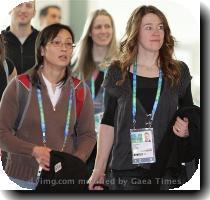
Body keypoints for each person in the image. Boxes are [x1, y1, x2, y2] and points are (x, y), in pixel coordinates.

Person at [88, 5, 198, 191]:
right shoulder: (118, 71)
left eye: (161, 27)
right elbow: (108, 123)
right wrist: (99, 168)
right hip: (124, 169)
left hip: (167, 170)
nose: (156, 32)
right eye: (149, 27)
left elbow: (190, 114)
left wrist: (188, 129)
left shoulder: (178, 71)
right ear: (135, 32)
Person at [0, 23, 96, 190]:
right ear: (42, 50)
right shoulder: (20, 86)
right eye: (57, 42)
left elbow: (88, 135)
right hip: (21, 180)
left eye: (68, 44)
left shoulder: (80, 89)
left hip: (63, 180)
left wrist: (75, 162)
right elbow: (2, 133)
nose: (64, 48)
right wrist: (33, 150)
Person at [72, 9, 118, 176]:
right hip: (80, 139)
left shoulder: (122, 66)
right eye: (98, 27)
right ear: (90, 32)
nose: (104, 31)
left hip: (112, 141)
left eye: (108, 26)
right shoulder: (74, 66)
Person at [1, 0, 39, 74]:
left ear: (34, 12)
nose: (23, 10)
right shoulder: (1, 40)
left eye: (28, 6)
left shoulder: (44, 40)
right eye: (19, 5)